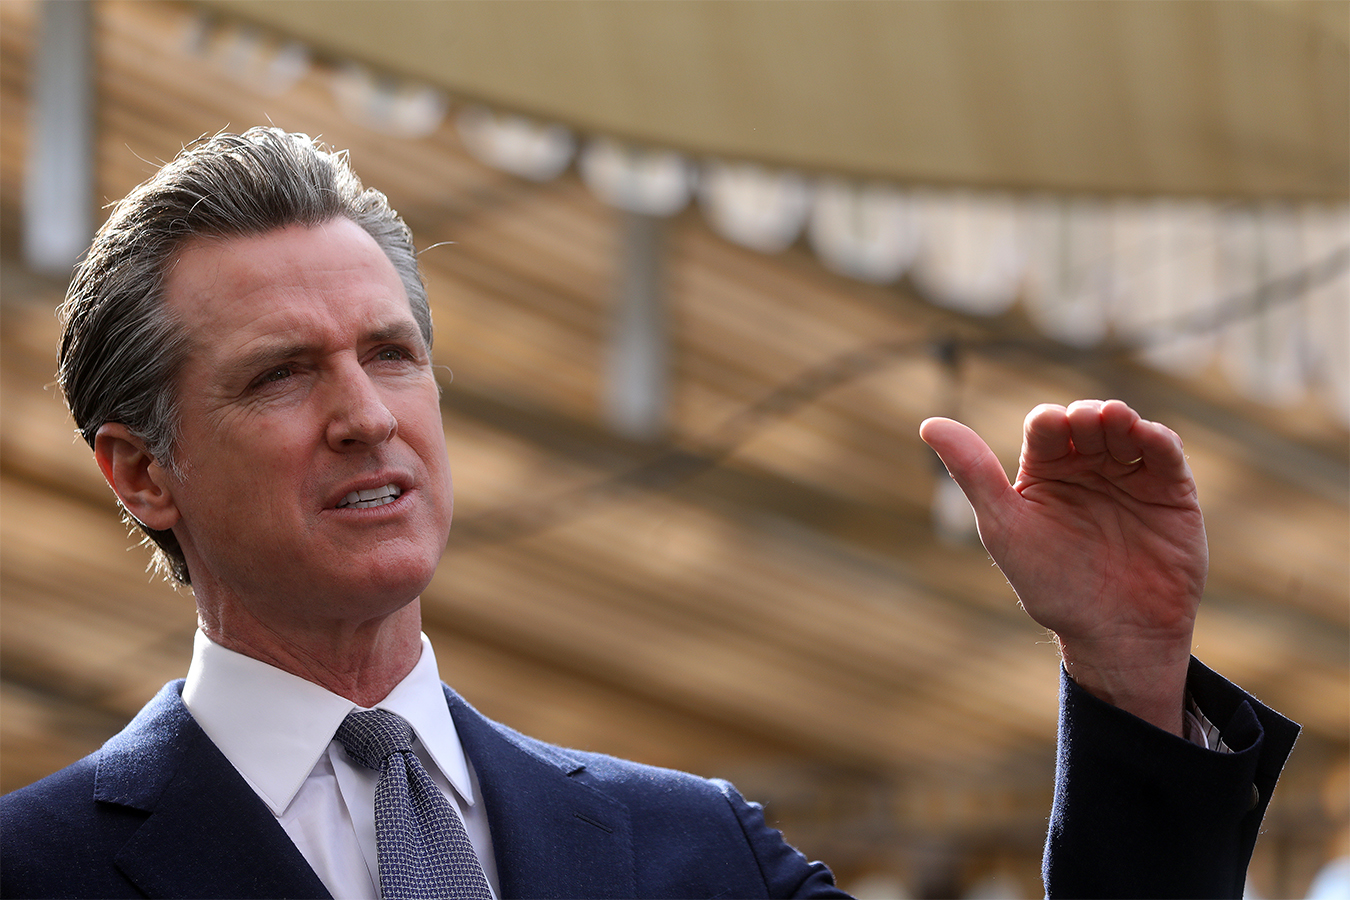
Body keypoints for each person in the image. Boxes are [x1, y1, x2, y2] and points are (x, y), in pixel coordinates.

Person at [0, 128, 1297, 899]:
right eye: (283, 373)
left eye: (391, 354)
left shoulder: (690, 854)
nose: (365, 415)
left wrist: (1127, 679)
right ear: (138, 472)